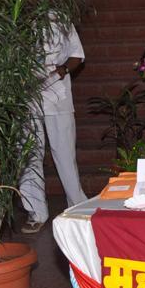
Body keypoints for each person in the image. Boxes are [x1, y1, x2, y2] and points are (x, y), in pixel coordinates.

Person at [19, 17, 88, 234]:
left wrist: (62, 70)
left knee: (65, 155)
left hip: (58, 97)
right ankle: (35, 212)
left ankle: (76, 207)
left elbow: (77, 55)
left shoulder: (60, 19)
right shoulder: (19, 20)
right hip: (27, 96)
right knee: (29, 155)